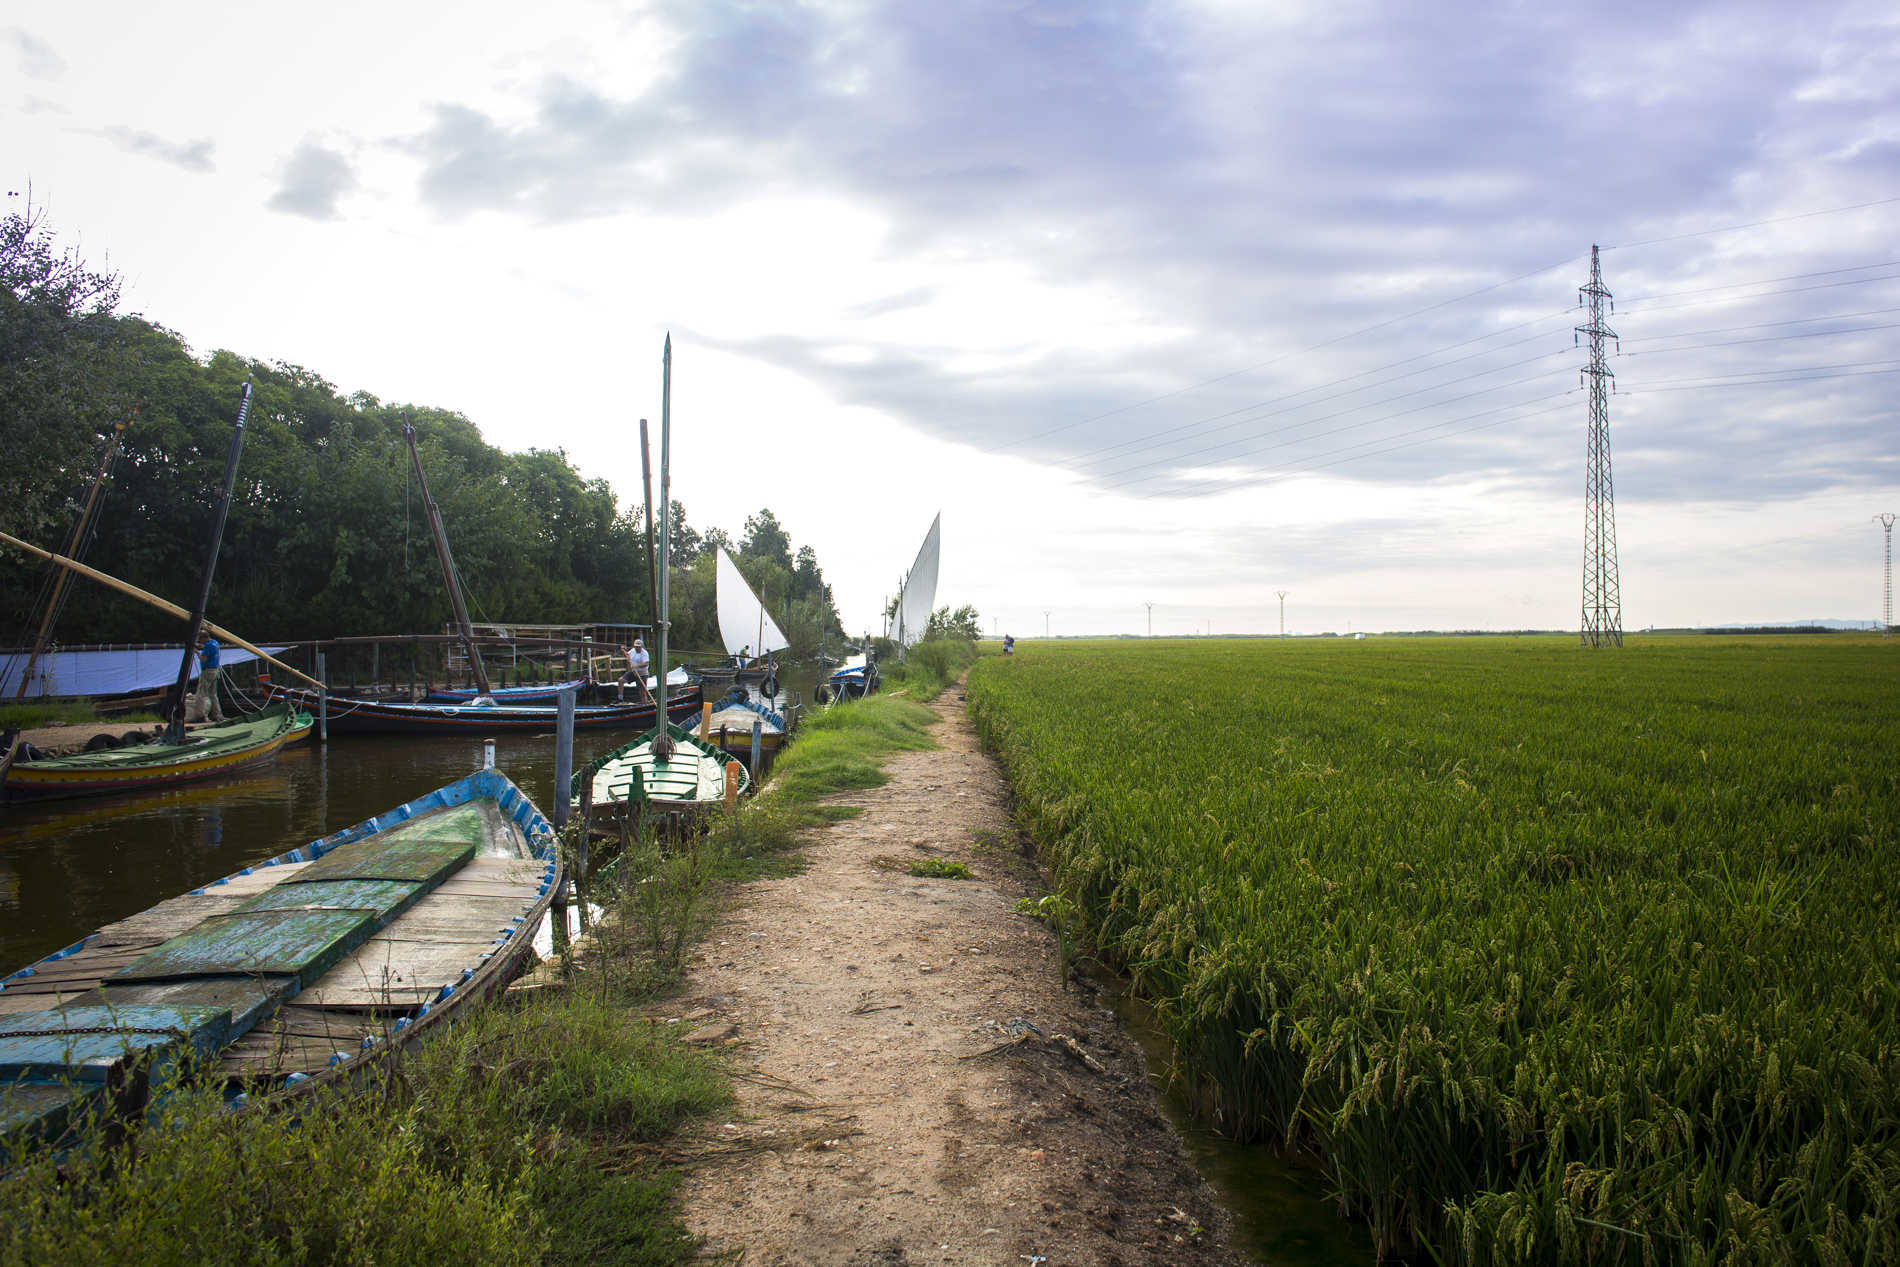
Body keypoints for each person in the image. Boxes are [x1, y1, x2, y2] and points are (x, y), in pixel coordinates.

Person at [191, 636, 224, 723]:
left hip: (207, 672)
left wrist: (197, 653)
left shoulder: (207, 646)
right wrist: (199, 645)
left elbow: (204, 659)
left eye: (200, 640)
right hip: (215, 671)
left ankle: (202, 716)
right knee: (213, 694)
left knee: (201, 694)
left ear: (203, 638)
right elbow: (208, 649)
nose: (200, 642)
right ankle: (218, 715)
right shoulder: (214, 642)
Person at [618, 639, 652, 703]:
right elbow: (627, 655)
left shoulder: (644, 653)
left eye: (638, 647)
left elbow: (646, 664)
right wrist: (623, 650)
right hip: (633, 672)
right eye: (636, 647)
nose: (637, 648)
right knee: (620, 680)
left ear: (641, 647)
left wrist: (636, 666)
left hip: (642, 674)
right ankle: (620, 699)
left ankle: (644, 704)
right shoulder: (633, 651)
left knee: (642, 692)